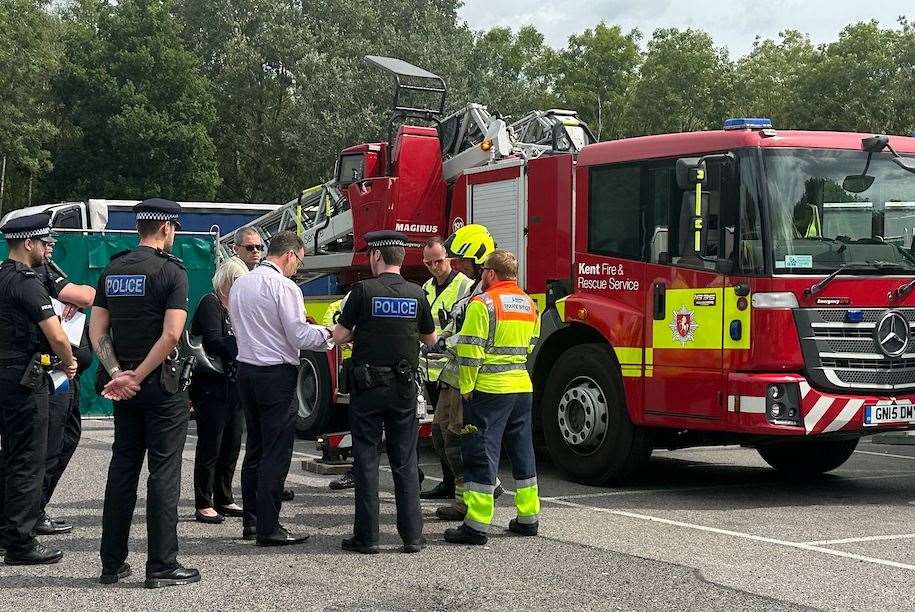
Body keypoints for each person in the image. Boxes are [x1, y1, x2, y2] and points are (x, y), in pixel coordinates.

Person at [90, 198, 199, 588]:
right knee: (163, 473)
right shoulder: (173, 272)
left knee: (122, 469)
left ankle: (112, 563)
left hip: (124, 387)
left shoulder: (113, 268)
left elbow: (97, 331)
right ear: (167, 228)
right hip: (160, 385)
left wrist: (118, 373)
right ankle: (162, 566)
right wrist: (139, 374)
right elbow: (172, 334)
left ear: (140, 229)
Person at [331, 230, 436, 554]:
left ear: (376, 256)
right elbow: (430, 340)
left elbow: (339, 336)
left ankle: (368, 537)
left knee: (366, 458)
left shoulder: (363, 291)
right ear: (401, 258)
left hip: (368, 388)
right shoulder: (418, 293)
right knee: (405, 459)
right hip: (404, 388)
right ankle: (412, 537)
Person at [228, 230, 332, 546]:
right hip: (276, 374)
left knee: (255, 448)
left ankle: (252, 520)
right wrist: (329, 335)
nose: (297, 269)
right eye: (298, 261)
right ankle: (270, 527)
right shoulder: (285, 286)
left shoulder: (240, 284)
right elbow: (298, 336)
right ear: (289, 255)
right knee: (276, 451)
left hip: (247, 370)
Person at [444, 249, 541, 546]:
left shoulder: (483, 303)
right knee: (523, 452)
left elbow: (470, 351)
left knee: (480, 452)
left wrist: (467, 387)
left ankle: (475, 525)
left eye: (484, 270)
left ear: (490, 273)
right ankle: (528, 518)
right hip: (521, 386)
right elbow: (531, 343)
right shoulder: (529, 304)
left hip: (489, 389)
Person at [0, 214, 77, 565]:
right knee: (29, 460)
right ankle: (20, 543)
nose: (46, 251)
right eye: (42, 243)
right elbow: (57, 335)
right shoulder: (28, 282)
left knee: (10, 457)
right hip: (26, 380)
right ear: (28, 243)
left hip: (5, 376)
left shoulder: (2, 276)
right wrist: (69, 362)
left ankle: (6, 532)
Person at [431, 225, 503, 521]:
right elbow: (456, 320)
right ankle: (467, 494)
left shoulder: (488, 294)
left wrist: (444, 342)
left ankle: (475, 496)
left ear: (480, 259)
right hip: (453, 375)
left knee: (458, 441)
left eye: (463, 259)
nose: (457, 265)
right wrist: (435, 342)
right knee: (440, 435)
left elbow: (472, 335)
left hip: (470, 378)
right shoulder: (473, 288)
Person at [34, 240, 96, 536]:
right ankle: (27, 514)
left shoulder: (48, 269)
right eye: (47, 243)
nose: (51, 249)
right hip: (52, 374)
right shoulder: (35, 273)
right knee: (46, 448)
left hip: (67, 374)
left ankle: (36, 508)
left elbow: (88, 294)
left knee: (65, 440)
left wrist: (72, 299)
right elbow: (84, 296)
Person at [190, 258, 248, 524]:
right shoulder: (210, 303)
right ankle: (204, 501)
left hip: (233, 383)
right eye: (237, 281)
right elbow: (213, 340)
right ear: (227, 281)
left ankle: (224, 497)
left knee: (232, 442)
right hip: (211, 384)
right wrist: (241, 345)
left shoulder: (236, 307)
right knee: (210, 443)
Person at [419, 237, 473, 501]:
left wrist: (440, 344)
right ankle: (448, 481)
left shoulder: (465, 285)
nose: (434, 267)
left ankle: (457, 484)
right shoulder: (426, 287)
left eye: (438, 261)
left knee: (450, 431)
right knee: (438, 432)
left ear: (448, 258)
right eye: (429, 263)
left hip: (452, 367)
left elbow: (462, 328)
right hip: (431, 369)